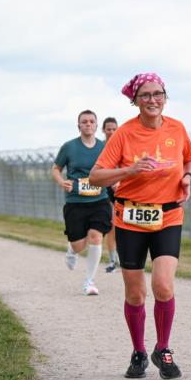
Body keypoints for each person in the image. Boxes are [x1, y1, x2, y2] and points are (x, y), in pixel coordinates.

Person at [90, 73, 191, 380]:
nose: (153, 100)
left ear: (165, 96)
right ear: (135, 101)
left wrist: (187, 178)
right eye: (146, 95)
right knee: (136, 294)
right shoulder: (124, 134)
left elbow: (189, 160)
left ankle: (163, 349)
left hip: (168, 216)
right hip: (131, 219)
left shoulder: (177, 128)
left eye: (158, 94)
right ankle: (138, 352)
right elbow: (96, 177)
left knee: (163, 285)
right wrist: (131, 169)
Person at [52, 110, 112, 296]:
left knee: (96, 236)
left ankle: (89, 281)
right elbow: (56, 168)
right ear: (79, 126)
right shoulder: (69, 147)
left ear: (96, 125)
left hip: (99, 200)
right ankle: (72, 249)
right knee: (79, 245)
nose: (88, 124)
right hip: (76, 201)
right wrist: (62, 182)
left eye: (91, 121)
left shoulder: (104, 147)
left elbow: (112, 169)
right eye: (84, 121)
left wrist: (115, 182)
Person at [102, 117, 121, 273]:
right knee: (112, 226)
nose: (111, 132)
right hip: (106, 190)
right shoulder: (100, 147)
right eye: (109, 129)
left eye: (114, 129)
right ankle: (112, 260)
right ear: (104, 130)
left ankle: (124, 259)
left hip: (121, 189)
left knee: (124, 225)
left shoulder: (122, 144)